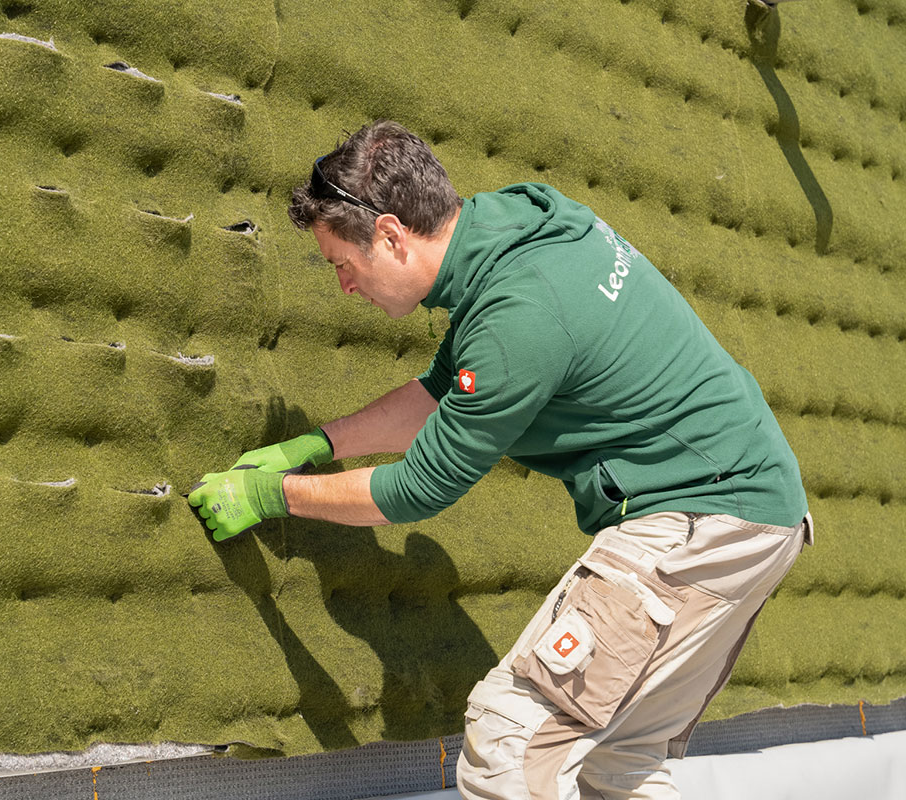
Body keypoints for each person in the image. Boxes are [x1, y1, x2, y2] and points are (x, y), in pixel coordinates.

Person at [187, 120, 811, 800]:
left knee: (508, 740)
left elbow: (416, 489)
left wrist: (273, 495)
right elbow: (443, 389)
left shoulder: (520, 317)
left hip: (700, 518)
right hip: (753, 514)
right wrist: (318, 445)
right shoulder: (516, 224)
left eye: (343, 264)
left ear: (391, 236)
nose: (344, 286)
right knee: (620, 764)